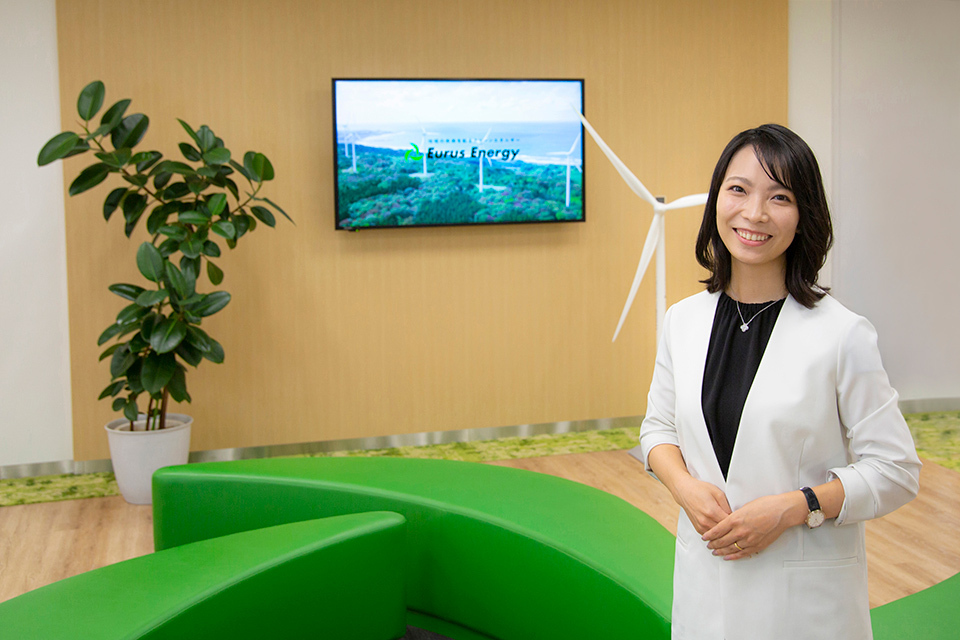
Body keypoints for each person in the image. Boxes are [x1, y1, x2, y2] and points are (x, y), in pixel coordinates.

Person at [638, 124, 921, 640]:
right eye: (739, 189)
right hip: (706, 587)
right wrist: (684, 488)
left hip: (804, 604)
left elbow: (896, 470)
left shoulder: (842, 333)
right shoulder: (683, 320)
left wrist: (797, 506)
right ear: (716, 200)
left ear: (804, 215)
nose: (755, 213)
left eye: (780, 196)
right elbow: (657, 429)